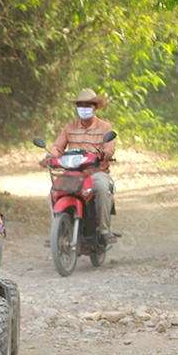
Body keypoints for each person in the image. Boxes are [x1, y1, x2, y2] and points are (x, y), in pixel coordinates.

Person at [40, 88, 116, 241]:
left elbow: (109, 148)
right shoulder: (70, 127)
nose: (83, 108)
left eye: (87, 105)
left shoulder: (105, 127)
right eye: (80, 105)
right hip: (73, 174)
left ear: (95, 107)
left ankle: (103, 230)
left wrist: (104, 154)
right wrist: (49, 157)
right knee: (54, 192)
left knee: (102, 188)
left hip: (96, 173)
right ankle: (59, 229)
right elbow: (57, 147)